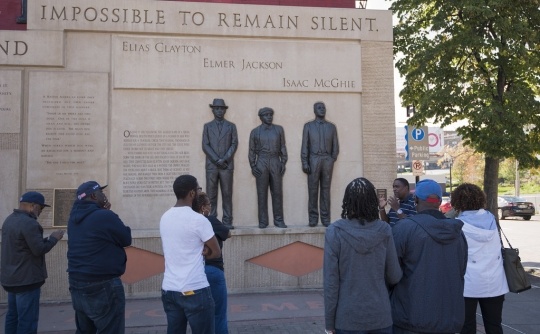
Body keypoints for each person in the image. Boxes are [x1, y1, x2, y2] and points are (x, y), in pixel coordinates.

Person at [324, 177, 402, 334]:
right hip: (380, 315)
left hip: (347, 318)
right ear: (372, 201)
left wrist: (329, 323)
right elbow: (394, 276)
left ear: (347, 201)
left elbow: (331, 283)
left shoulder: (335, 231)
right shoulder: (384, 230)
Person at [391, 179, 468, 334]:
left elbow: (391, 273)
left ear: (416, 199)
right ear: (439, 201)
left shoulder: (404, 229)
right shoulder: (458, 233)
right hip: (448, 318)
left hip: (410, 318)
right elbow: (461, 270)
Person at [67, 181, 132, 334]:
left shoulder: (73, 219)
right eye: (101, 193)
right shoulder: (104, 216)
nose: (105, 195)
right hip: (102, 284)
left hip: (77, 282)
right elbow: (126, 238)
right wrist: (108, 213)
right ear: (94, 196)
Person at [160, 175, 221, 334]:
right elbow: (216, 252)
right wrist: (205, 252)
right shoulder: (198, 220)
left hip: (170, 290)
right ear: (192, 194)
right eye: (198, 189)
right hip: (195, 289)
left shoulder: (165, 217)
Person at [1, 191, 64, 334]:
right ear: (33, 206)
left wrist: (46, 240)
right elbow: (38, 249)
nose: (41, 211)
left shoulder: (9, 219)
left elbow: (24, 246)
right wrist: (54, 238)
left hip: (11, 279)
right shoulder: (29, 223)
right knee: (27, 320)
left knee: (13, 316)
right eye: (40, 208)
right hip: (26, 280)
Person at [451, 183, 508, 334]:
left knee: (467, 326)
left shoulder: (456, 225)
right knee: (494, 325)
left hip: (467, 284)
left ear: (457, 201)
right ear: (480, 199)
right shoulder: (492, 219)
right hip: (494, 282)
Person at [192, 192, 232, 334]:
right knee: (218, 314)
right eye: (209, 205)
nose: (210, 207)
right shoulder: (208, 220)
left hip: (195, 273)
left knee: (200, 315)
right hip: (212, 270)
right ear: (203, 207)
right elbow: (228, 233)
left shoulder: (189, 222)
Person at [301, 101, 339, 227]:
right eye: (319, 108)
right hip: (313, 159)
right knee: (312, 190)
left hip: (327, 160)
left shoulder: (331, 127)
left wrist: (331, 158)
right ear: (314, 110)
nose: (322, 109)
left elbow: (335, 145)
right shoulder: (308, 126)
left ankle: (325, 218)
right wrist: (305, 162)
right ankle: (313, 218)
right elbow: (304, 146)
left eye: (323, 107)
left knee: (325, 190)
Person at [248, 107, 288, 228]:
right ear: (261, 117)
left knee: (277, 192)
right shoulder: (255, 131)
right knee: (262, 192)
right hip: (262, 161)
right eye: (266, 115)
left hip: (275, 160)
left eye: (270, 114)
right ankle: (263, 221)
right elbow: (251, 150)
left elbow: (283, 147)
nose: (269, 117)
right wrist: (253, 165)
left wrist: (283, 162)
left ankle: (279, 220)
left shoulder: (279, 129)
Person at [202, 98, 238, 229]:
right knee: (211, 195)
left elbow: (234, 144)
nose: (219, 111)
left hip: (226, 166)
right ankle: (211, 221)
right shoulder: (207, 126)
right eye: (217, 108)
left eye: (221, 108)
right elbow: (205, 145)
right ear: (213, 110)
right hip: (212, 166)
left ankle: (227, 221)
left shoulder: (231, 126)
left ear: (224, 110)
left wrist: (225, 159)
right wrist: (217, 159)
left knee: (227, 194)